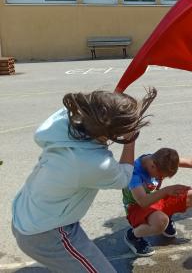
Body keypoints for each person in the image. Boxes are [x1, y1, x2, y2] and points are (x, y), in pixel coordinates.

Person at [12, 88, 157, 273]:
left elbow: (99, 115)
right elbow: (124, 177)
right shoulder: (91, 163)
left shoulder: (63, 122)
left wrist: (110, 107)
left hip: (28, 213)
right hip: (47, 233)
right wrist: (130, 141)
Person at [122, 148, 192, 256]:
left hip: (156, 200)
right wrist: (167, 190)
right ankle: (132, 236)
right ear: (153, 166)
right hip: (136, 208)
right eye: (162, 176)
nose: (161, 178)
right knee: (160, 222)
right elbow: (143, 202)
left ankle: (164, 217)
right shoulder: (134, 173)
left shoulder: (162, 159)